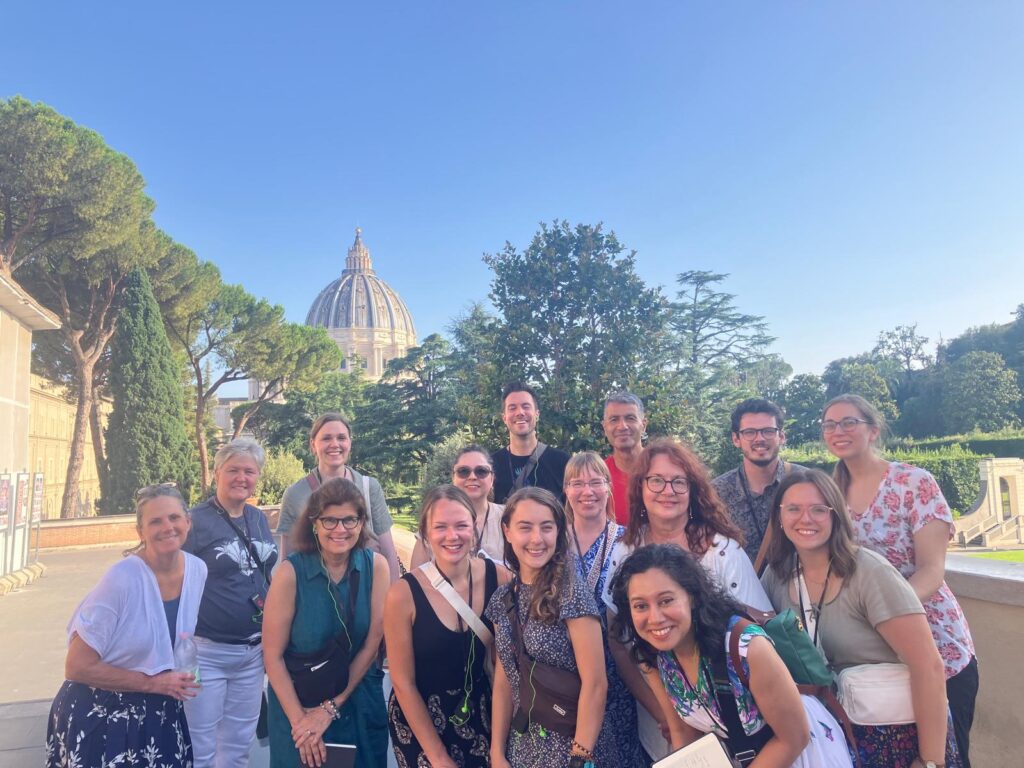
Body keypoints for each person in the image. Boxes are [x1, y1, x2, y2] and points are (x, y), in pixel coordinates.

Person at [761, 469, 961, 768]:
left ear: (836, 516)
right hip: (831, 737)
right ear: (779, 516)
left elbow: (928, 666)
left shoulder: (870, 573)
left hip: (896, 736)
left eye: (818, 509)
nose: (806, 519)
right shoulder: (776, 576)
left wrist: (931, 760)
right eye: (793, 509)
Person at [821, 394, 977, 767]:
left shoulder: (913, 483)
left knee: (946, 757)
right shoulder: (831, 493)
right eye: (829, 424)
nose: (837, 431)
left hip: (935, 643)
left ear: (873, 430)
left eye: (848, 423)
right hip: (874, 657)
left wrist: (885, 616)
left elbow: (932, 571)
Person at [602, 438, 773, 761]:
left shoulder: (721, 550)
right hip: (658, 714)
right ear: (640, 488)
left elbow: (756, 628)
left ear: (693, 490)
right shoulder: (623, 552)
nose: (668, 490)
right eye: (657, 480)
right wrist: (662, 713)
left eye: (679, 481)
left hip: (733, 714)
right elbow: (619, 641)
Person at [610, 543, 854, 767]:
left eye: (666, 601)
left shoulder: (746, 647)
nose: (655, 618)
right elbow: (683, 734)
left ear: (692, 598)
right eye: (640, 606)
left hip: (801, 755)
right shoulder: (653, 655)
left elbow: (794, 739)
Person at [46, 485, 208, 768]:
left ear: (188, 522)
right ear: (140, 532)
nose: (167, 527)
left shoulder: (197, 570)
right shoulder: (121, 579)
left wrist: (182, 668)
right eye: (155, 521)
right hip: (102, 713)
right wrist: (153, 682)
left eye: (174, 517)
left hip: (161, 711)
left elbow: (178, 634)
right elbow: (77, 666)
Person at [263, 478, 390, 768]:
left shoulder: (376, 567)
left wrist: (329, 710)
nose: (340, 529)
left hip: (355, 698)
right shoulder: (290, 574)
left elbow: (372, 642)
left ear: (361, 524)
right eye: (330, 520)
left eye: (349, 520)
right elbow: (272, 657)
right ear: (314, 523)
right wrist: (304, 724)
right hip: (297, 704)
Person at [485, 487, 615, 768]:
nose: (536, 539)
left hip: (573, 746)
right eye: (525, 527)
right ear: (507, 532)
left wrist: (579, 759)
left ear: (558, 532)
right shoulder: (502, 599)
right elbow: (505, 678)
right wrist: (497, 751)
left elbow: (595, 683)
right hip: (523, 747)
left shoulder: (571, 595)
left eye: (546, 527)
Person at [385, 486, 510, 767]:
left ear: (474, 528)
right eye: (440, 527)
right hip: (420, 719)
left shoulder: (499, 579)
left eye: (461, 526)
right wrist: (439, 758)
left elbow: (503, 669)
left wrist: (499, 748)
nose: (452, 536)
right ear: (425, 533)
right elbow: (402, 682)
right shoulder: (403, 595)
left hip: (482, 711)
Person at [184, 438, 278, 768]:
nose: (242, 478)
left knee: (239, 743)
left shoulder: (258, 517)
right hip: (207, 651)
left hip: (252, 653)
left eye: (249, 471)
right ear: (217, 474)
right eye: (233, 470)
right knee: (201, 742)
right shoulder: (194, 521)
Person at [563, 451, 644, 766]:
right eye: (577, 483)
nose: (587, 492)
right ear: (566, 490)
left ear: (609, 488)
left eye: (596, 482)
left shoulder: (628, 541)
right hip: (564, 672)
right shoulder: (554, 542)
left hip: (617, 669)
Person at [277, 412, 401, 582]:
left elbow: (388, 552)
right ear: (313, 445)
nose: (334, 444)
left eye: (341, 438)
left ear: (350, 443)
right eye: (326, 438)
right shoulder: (295, 494)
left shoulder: (369, 487)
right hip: (316, 589)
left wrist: (392, 598)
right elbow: (288, 559)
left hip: (367, 587)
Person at [712, 398, 805, 565]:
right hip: (740, 590)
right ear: (736, 439)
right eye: (749, 432)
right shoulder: (717, 493)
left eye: (768, 431)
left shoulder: (805, 483)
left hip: (796, 588)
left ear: (781, 436)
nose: (759, 438)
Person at [411, 444, 506, 567]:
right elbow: (417, 577)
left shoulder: (509, 517)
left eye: (481, 471)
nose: (472, 477)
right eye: (463, 471)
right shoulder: (435, 518)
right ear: (453, 478)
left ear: (492, 478)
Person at [491, 382, 570, 504]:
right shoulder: (491, 466)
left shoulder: (562, 462)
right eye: (512, 408)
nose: (520, 412)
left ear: (537, 414)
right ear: (504, 418)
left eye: (526, 406)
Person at [601, 392, 647, 526]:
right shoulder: (599, 477)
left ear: (643, 425)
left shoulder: (663, 471)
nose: (622, 426)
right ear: (605, 427)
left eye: (630, 418)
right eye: (614, 419)